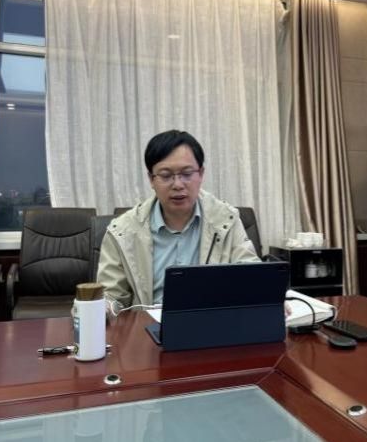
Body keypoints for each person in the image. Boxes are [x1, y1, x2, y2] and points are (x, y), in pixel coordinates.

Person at [97, 130, 259, 312]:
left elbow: (251, 276)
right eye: (166, 176)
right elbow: (111, 296)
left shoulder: (226, 220)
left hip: (211, 322)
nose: (178, 185)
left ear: (201, 174)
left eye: (187, 174)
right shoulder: (122, 231)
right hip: (148, 326)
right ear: (151, 179)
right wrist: (101, 307)